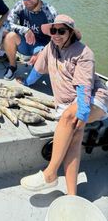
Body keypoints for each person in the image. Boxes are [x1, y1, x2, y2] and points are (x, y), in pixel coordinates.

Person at [18, 14, 108, 195]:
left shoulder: (84, 53)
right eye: (53, 30)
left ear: (71, 33)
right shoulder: (50, 47)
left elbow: (84, 88)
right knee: (75, 135)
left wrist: (82, 114)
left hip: (93, 98)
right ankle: (72, 195)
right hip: (66, 104)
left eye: (61, 31)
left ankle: (50, 173)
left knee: (69, 117)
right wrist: (27, 82)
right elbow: (38, 69)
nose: (56, 35)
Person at [3, 0, 57, 80]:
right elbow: (7, 24)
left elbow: (58, 38)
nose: (27, 0)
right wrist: (25, 30)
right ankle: (12, 66)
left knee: (37, 74)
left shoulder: (50, 12)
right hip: (25, 44)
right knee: (9, 36)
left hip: (42, 47)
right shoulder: (20, 5)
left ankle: (39, 62)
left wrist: (42, 51)